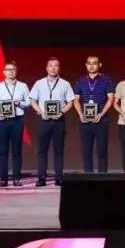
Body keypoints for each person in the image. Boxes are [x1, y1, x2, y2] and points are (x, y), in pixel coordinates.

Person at [29, 58, 75, 187]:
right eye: (50, 66)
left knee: (58, 151)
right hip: (43, 121)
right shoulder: (39, 83)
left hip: (59, 121)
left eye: (56, 66)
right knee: (42, 151)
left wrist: (62, 111)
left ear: (59, 68)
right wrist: (40, 111)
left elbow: (70, 102)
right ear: (46, 68)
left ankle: (59, 177)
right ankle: (41, 178)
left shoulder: (65, 84)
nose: (53, 68)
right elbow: (32, 100)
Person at [0, 61, 30, 187]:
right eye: (8, 69)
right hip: (3, 121)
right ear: (4, 72)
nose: (10, 71)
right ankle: (3, 179)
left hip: (17, 120)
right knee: (3, 151)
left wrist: (19, 103)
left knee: (17, 151)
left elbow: (28, 103)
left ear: (16, 71)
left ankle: (17, 178)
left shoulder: (23, 86)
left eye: (13, 69)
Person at [72, 55, 115, 173]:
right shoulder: (80, 81)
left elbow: (110, 99)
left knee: (102, 152)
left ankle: (102, 177)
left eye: (94, 63)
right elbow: (76, 100)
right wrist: (80, 114)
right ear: (86, 65)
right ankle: (88, 177)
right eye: (89, 63)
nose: (91, 66)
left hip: (101, 121)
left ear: (99, 65)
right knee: (86, 152)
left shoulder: (106, 80)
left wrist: (101, 114)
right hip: (85, 121)